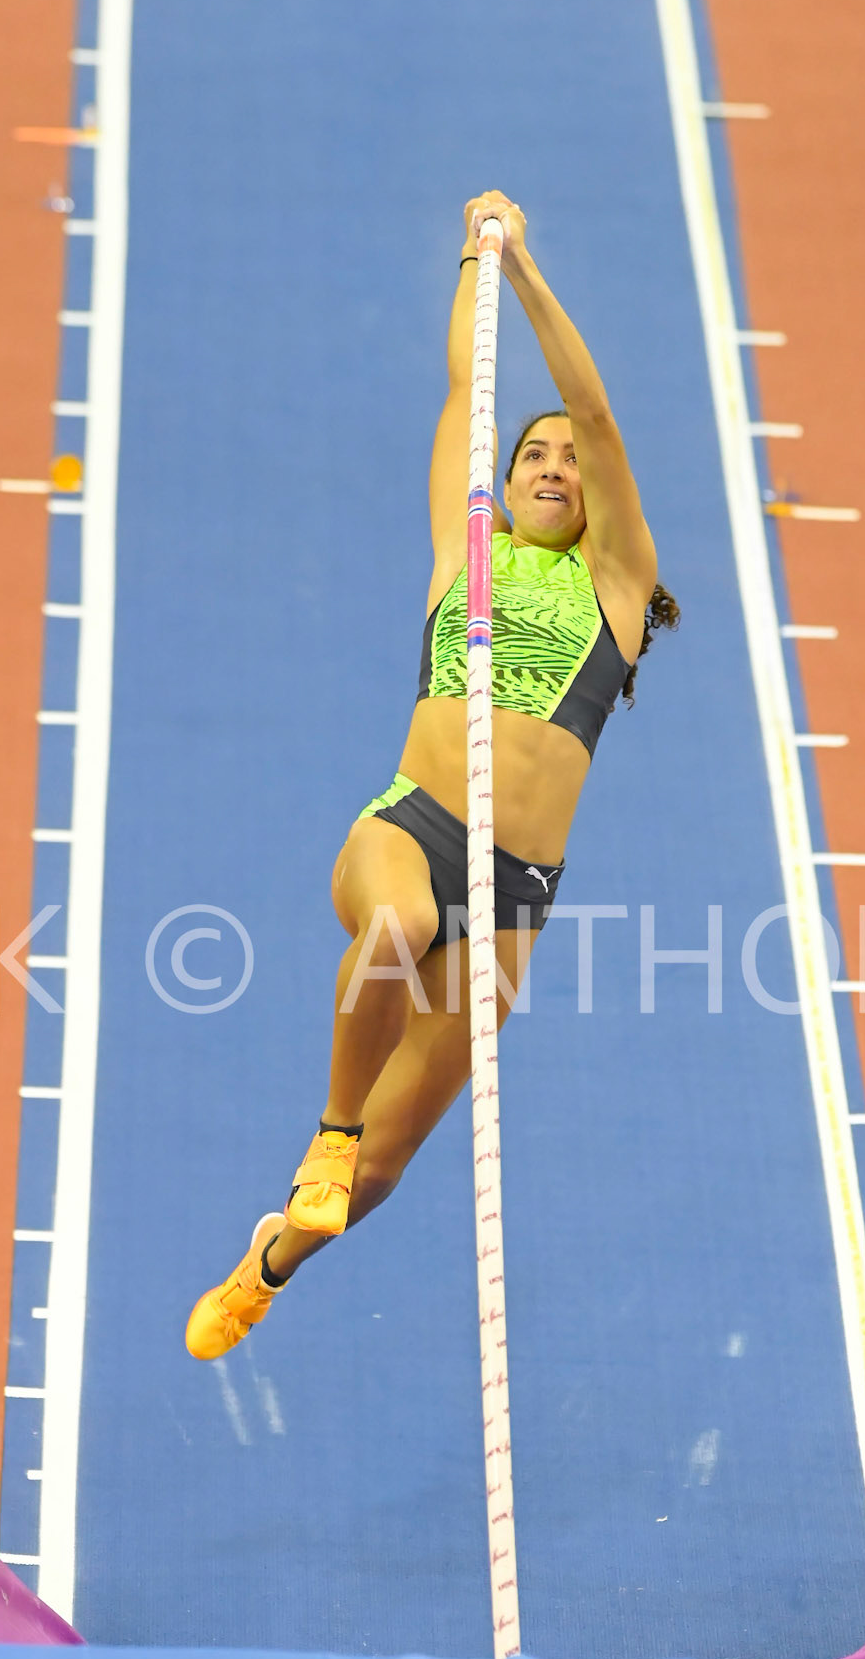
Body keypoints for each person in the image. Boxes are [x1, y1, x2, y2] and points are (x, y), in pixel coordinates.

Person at [185, 189, 678, 1358]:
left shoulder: (617, 586)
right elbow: (470, 389)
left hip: (515, 892)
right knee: (397, 926)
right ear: (503, 484)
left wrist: (528, 273)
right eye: (533, 453)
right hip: (412, 827)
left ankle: (269, 1260)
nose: (554, 461)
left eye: (567, 459)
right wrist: (475, 254)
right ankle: (326, 1129)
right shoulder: (465, 550)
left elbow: (599, 413)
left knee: (391, 1163)